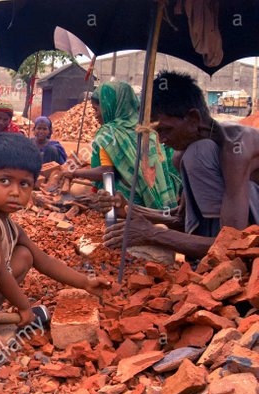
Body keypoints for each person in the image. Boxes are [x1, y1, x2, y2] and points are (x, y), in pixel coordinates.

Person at [0, 133, 111, 349]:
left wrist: (85, 282)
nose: (15, 192)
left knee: (25, 254)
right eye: (4, 181)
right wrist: (24, 306)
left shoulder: (11, 226)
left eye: (24, 184)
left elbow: (42, 260)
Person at [103, 71, 259, 259]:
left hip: (247, 237)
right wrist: (131, 209)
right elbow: (180, 218)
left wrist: (152, 234)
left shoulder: (236, 149)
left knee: (199, 154)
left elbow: (234, 246)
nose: (161, 140)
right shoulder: (184, 153)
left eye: (165, 130)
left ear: (193, 118)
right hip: (229, 231)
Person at [63, 82, 181, 210]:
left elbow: (107, 172)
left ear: (110, 106)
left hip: (128, 204)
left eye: (97, 109)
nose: (95, 115)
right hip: (163, 203)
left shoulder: (109, 133)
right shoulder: (149, 130)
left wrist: (74, 173)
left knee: (79, 190)